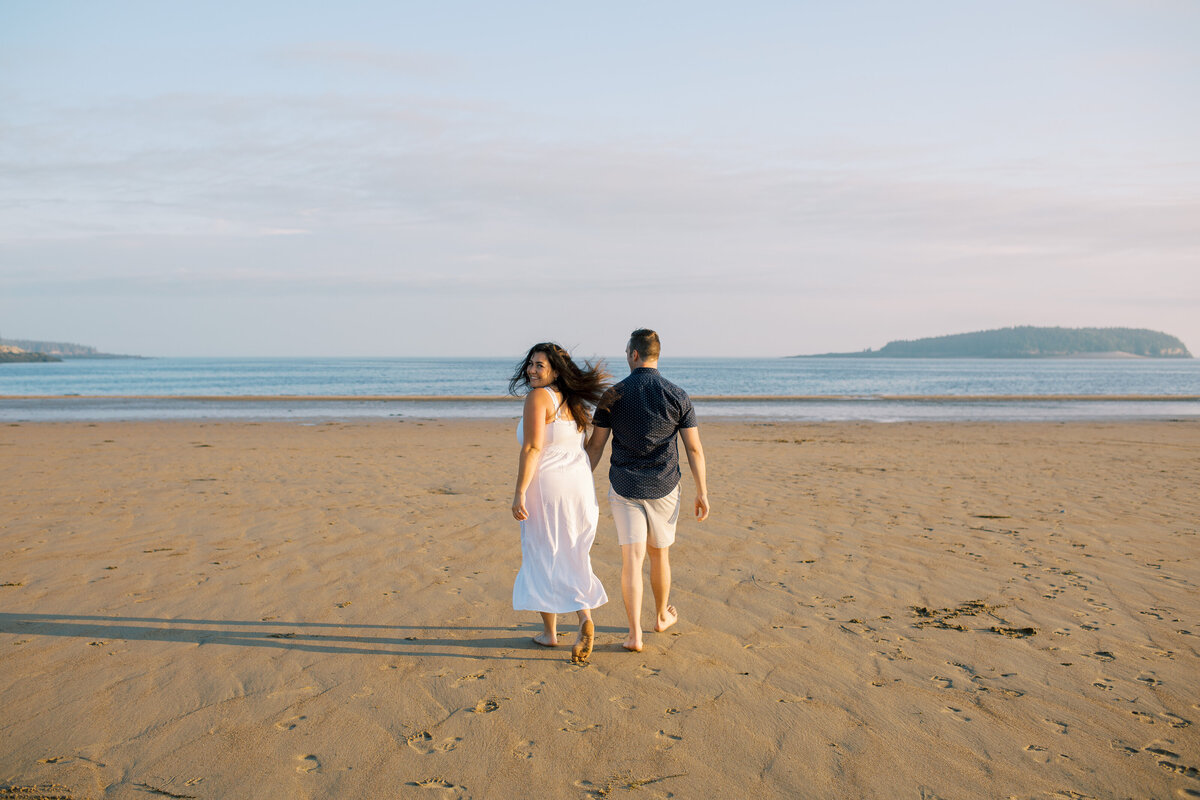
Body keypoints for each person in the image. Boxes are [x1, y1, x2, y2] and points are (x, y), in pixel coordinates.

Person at [586, 329, 709, 653]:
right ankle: (660, 616)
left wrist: (581, 481)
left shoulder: (613, 394)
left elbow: (596, 447)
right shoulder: (677, 395)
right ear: (657, 354)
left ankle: (634, 635)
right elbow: (694, 450)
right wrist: (702, 491)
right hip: (664, 487)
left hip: (625, 487)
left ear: (634, 354)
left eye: (627, 351)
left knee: (632, 560)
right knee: (659, 555)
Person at [510, 342, 611, 664]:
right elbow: (589, 446)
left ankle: (550, 633)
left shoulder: (538, 397)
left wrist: (519, 492)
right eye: (531, 363)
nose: (531, 370)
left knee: (542, 551)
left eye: (540, 365)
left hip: (548, 484)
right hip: (579, 483)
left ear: (555, 369)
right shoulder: (573, 401)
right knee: (572, 551)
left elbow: (532, 448)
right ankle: (584, 618)